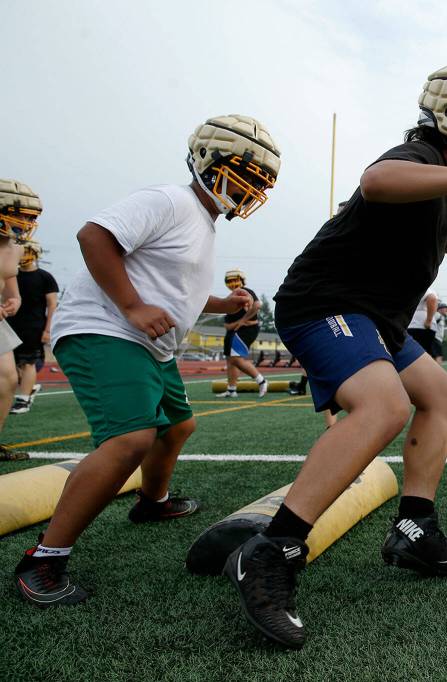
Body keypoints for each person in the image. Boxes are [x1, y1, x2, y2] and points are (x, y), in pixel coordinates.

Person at [241, 63, 447, 648]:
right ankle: (271, 550)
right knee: (383, 409)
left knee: (442, 396)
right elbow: (377, 181)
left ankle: (414, 527)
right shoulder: (421, 154)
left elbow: (443, 239)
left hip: (376, 315)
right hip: (327, 300)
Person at [13, 114, 276, 607]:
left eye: (259, 180)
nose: (249, 187)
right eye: (243, 171)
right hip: (105, 329)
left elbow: (179, 296)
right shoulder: (171, 200)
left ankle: (152, 504)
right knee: (131, 438)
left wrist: (228, 302)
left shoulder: (201, 225)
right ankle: (44, 559)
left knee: (177, 427)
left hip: (147, 344)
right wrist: (132, 306)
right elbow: (94, 236)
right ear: (207, 160)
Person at [0, 179, 34, 460]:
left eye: (29, 217)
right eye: (20, 214)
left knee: (8, 379)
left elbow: (9, 277)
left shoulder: (17, 248)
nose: (24, 222)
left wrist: (15, 298)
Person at [8, 239, 58, 415]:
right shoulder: (12, 275)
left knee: (28, 362)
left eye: (29, 251)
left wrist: (48, 329)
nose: (25, 255)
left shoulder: (45, 277)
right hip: (11, 324)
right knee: (12, 366)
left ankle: (23, 401)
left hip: (34, 326)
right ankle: (30, 387)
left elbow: (52, 304)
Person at [215, 269, 268, 398]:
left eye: (235, 280)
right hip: (234, 332)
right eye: (229, 281)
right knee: (230, 360)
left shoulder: (245, 292)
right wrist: (241, 322)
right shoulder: (230, 298)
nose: (232, 283)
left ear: (242, 280)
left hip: (245, 331)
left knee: (236, 359)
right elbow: (227, 325)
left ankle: (261, 380)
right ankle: (232, 389)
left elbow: (257, 304)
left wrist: (243, 321)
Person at [407, 288, 439, 357]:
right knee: (426, 354)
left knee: (414, 354)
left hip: (418, 325)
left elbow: (432, 298)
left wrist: (428, 320)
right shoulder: (427, 288)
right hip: (421, 326)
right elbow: (433, 298)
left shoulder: (421, 287)